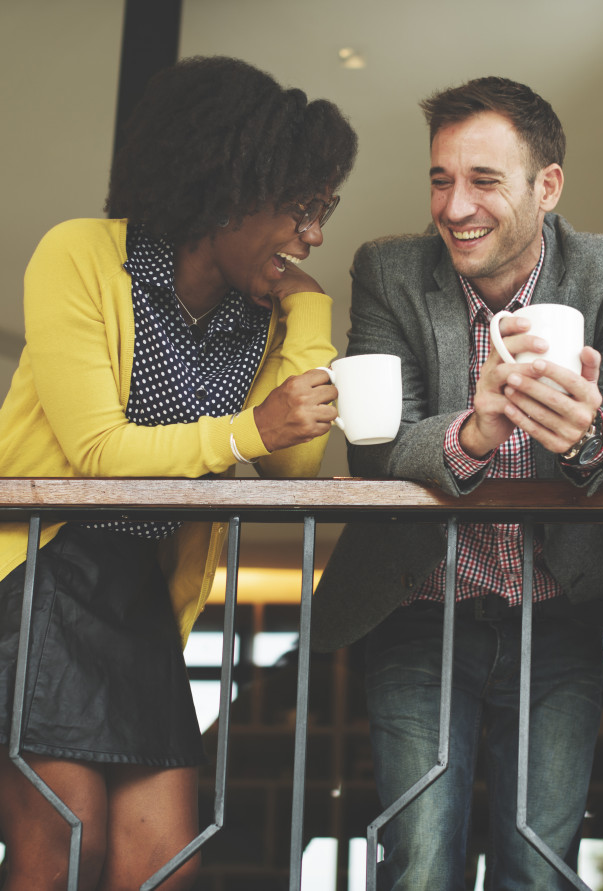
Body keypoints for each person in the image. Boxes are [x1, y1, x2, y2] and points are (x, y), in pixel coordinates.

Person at [0, 56, 357, 891]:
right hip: (43, 574)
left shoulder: (261, 309)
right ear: (229, 187)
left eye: (324, 210)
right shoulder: (82, 256)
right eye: (302, 208)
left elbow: (294, 461)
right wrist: (248, 429)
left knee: (163, 864)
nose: (314, 234)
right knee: (61, 848)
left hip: (141, 596)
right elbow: (97, 452)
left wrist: (310, 310)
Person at [311, 76, 603, 888]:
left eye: (483, 181)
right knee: (419, 864)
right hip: (419, 613)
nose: (454, 205)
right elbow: (376, 449)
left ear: (548, 187)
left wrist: (587, 434)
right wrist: (473, 431)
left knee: (539, 871)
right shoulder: (390, 271)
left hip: (560, 617)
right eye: (441, 178)